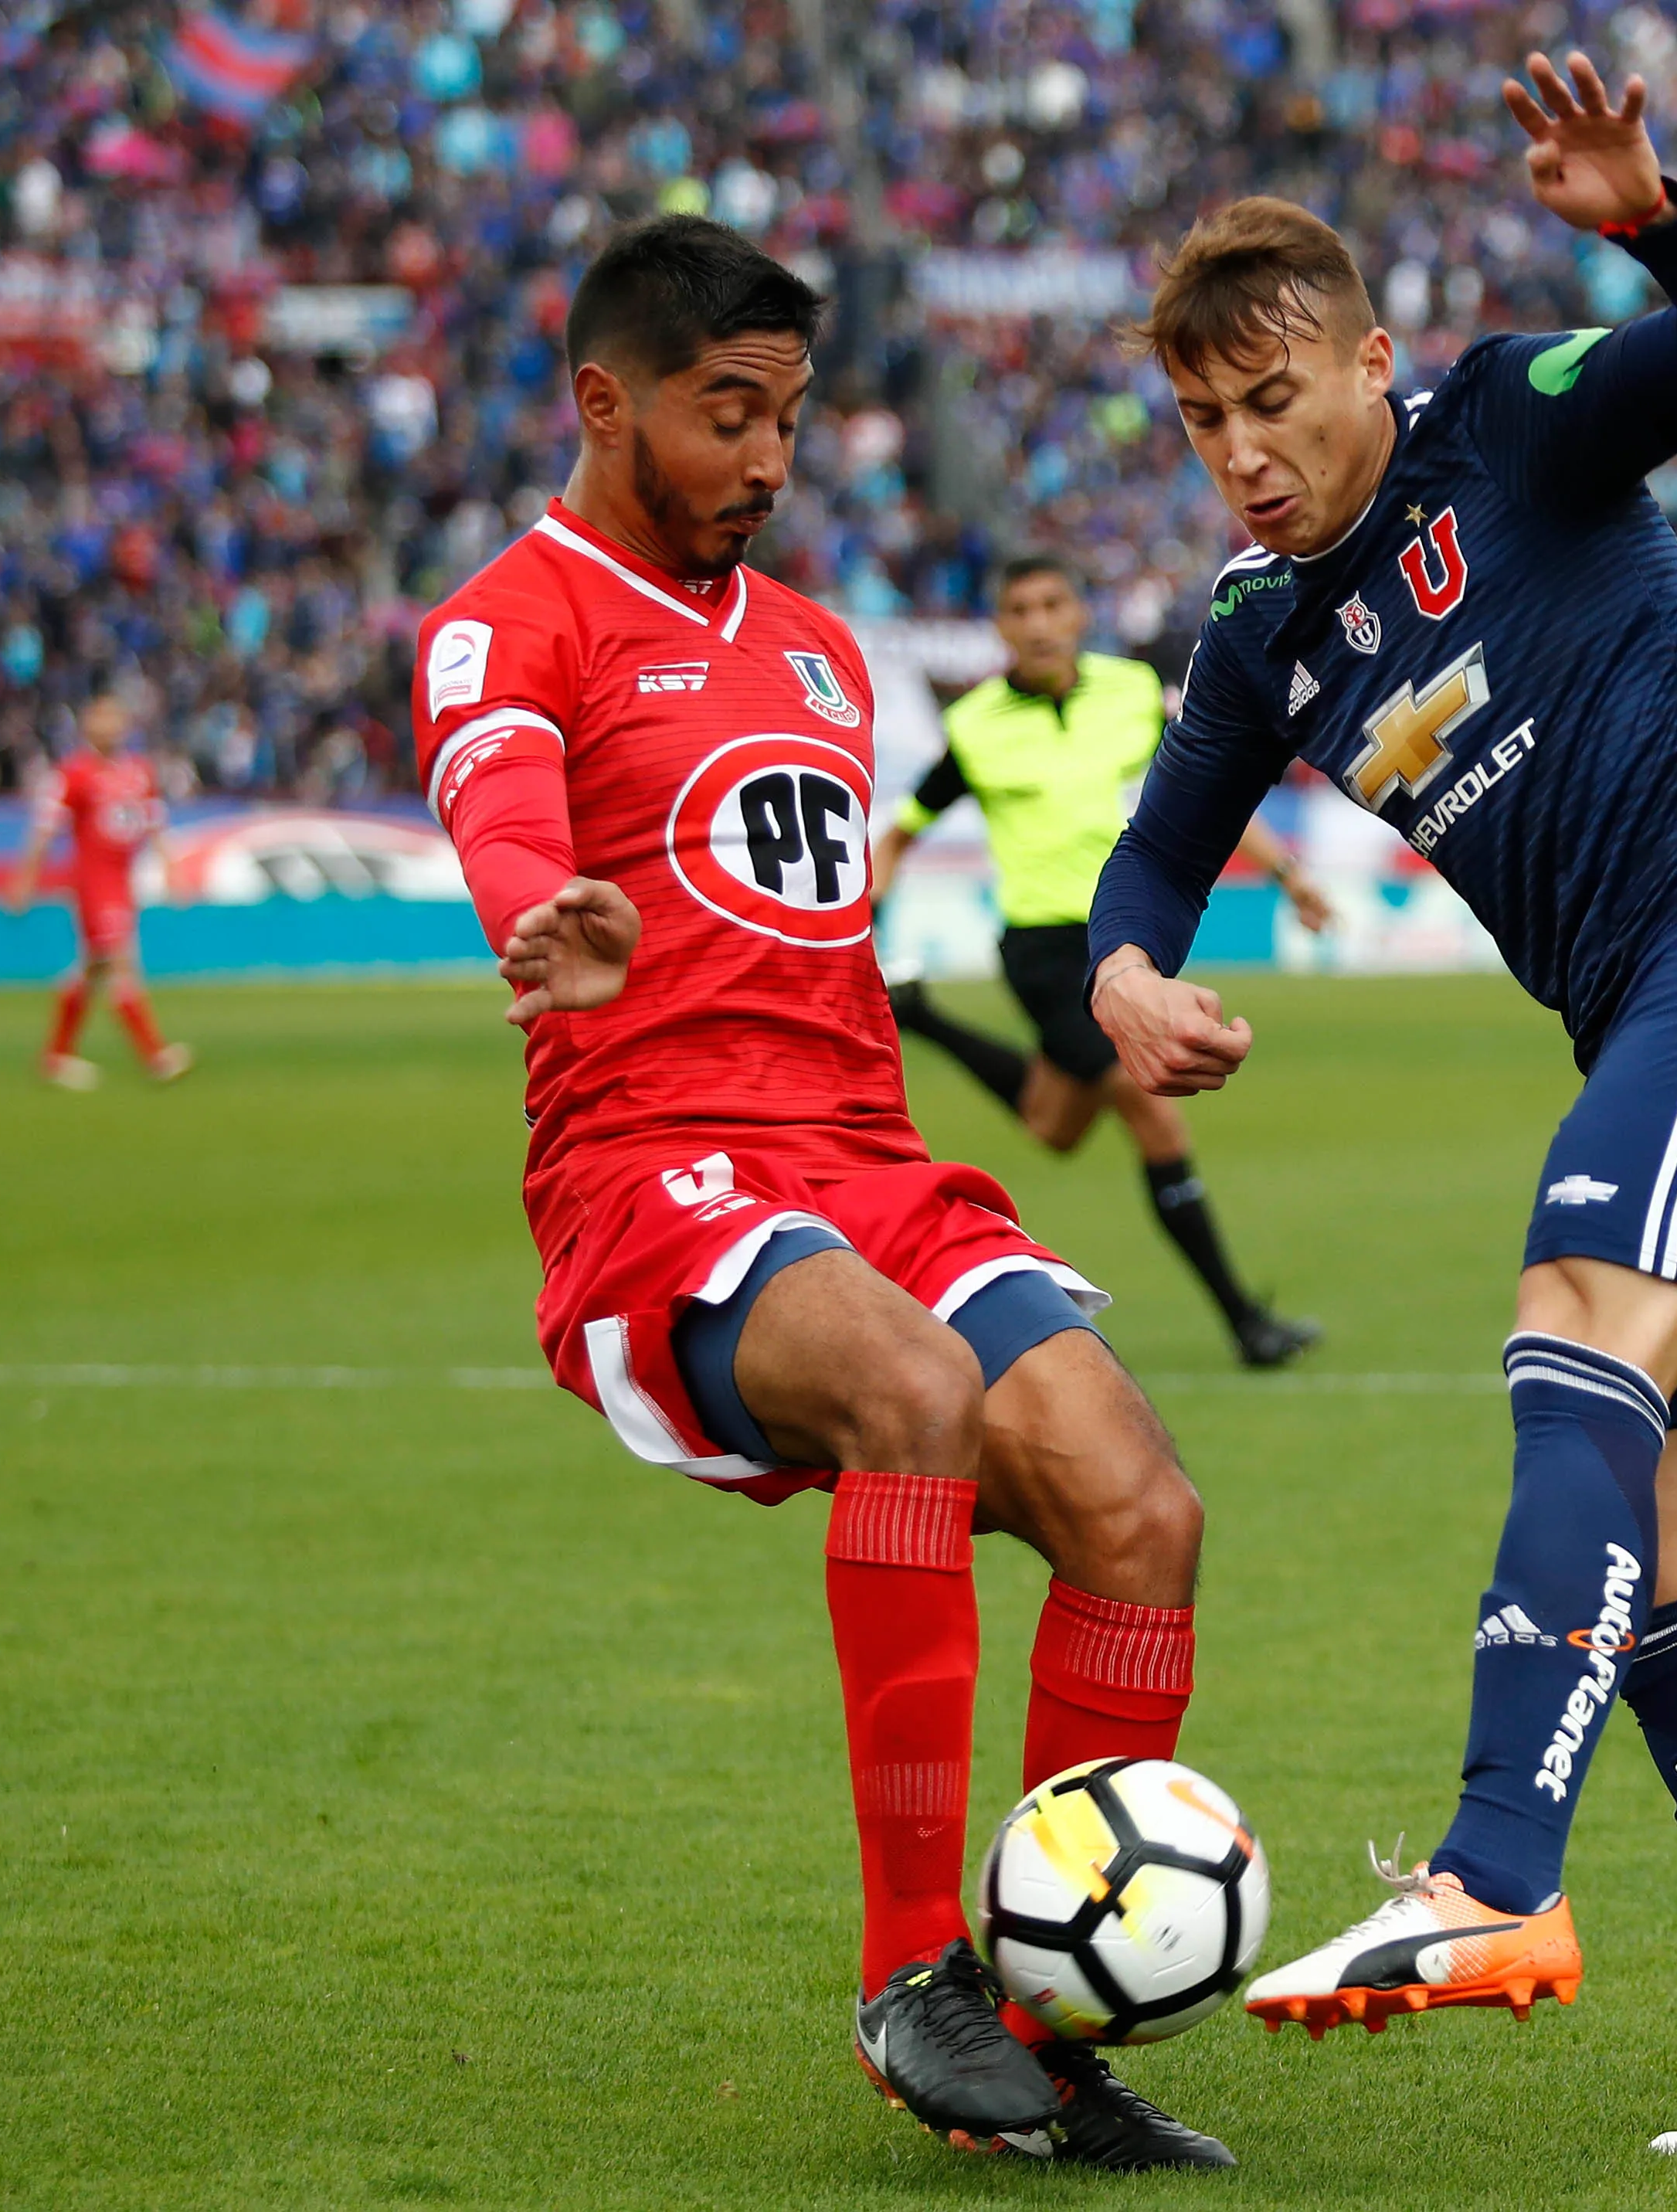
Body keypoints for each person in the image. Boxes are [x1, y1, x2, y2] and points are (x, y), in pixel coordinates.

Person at [1085, 53, 1677, 2156]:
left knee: (1575, 1310)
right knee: (1655, 1572)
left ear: (1368, 363)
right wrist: (1125, 974)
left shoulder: (1506, 425)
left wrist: (1649, 216)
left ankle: (1493, 1866)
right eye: (1202, 420)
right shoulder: (1257, 635)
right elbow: (1152, 860)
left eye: (1271, 398)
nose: (1241, 453)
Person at [412, 214, 1230, 2170]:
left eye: (787, 418)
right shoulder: (509, 617)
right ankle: (906, 1975)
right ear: (604, 401)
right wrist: (541, 910)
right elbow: (496, 801)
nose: (768, 459)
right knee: (913, 1390)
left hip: (865, 1160)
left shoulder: (819, 650)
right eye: (727, 415)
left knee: (1140, 1508)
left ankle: (1039, 2030)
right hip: (655, 1173)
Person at [872, 553, 1331, 1368]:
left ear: (1081, 614)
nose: (1039, 624)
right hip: (1045, 951)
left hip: (1123, 935)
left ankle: (922, 1017)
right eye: (1020, 610)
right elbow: (901, 832)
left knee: (1054, 1126)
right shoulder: (974, 726)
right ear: (1000, 627)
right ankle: (1245, 1324)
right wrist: (859, 917)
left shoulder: (1131, 693)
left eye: (1053, 604)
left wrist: (1288, 874)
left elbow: (1209, 794)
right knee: (1153, 1110)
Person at [5, 692, 193, 1089]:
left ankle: (56, 1056)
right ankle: (156, 1056)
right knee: (122, 963)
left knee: (93, 969)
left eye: (115, 718)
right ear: (87, 726)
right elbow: (44, 832)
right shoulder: (73, 773)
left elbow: (156, 825)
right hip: (94, 882)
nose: (110, 726)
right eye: (101, 718)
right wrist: (25, 880)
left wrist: (171, 868)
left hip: (123, 881)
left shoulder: (140, 771)